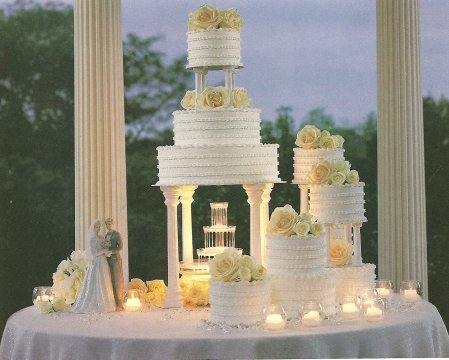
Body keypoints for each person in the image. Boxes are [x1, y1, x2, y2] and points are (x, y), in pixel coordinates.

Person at [71, 220, 116, 314]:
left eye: (99, 227)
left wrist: (107, 251)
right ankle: (95, 302)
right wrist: (103, 251)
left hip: (103, 261)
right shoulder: (92, 239)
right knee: (96, 280)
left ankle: (106, 302)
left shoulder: (101, 237)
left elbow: (105, 248)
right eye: (96, 227)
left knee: (104, 279)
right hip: (96, 262)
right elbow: (94, 253)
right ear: (93, 228)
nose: (98, 228)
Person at [104, 218, 125, 310]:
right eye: (107, 224)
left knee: (117, 279)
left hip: (115, 259)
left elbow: (120, 246)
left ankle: (119, 303)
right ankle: (113, 302)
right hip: (108, 259)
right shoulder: (106, 235)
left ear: (113, 224)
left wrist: (111, 252)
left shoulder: (117, 234)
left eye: (110, 224)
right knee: (110, 279)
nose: (108, 226)